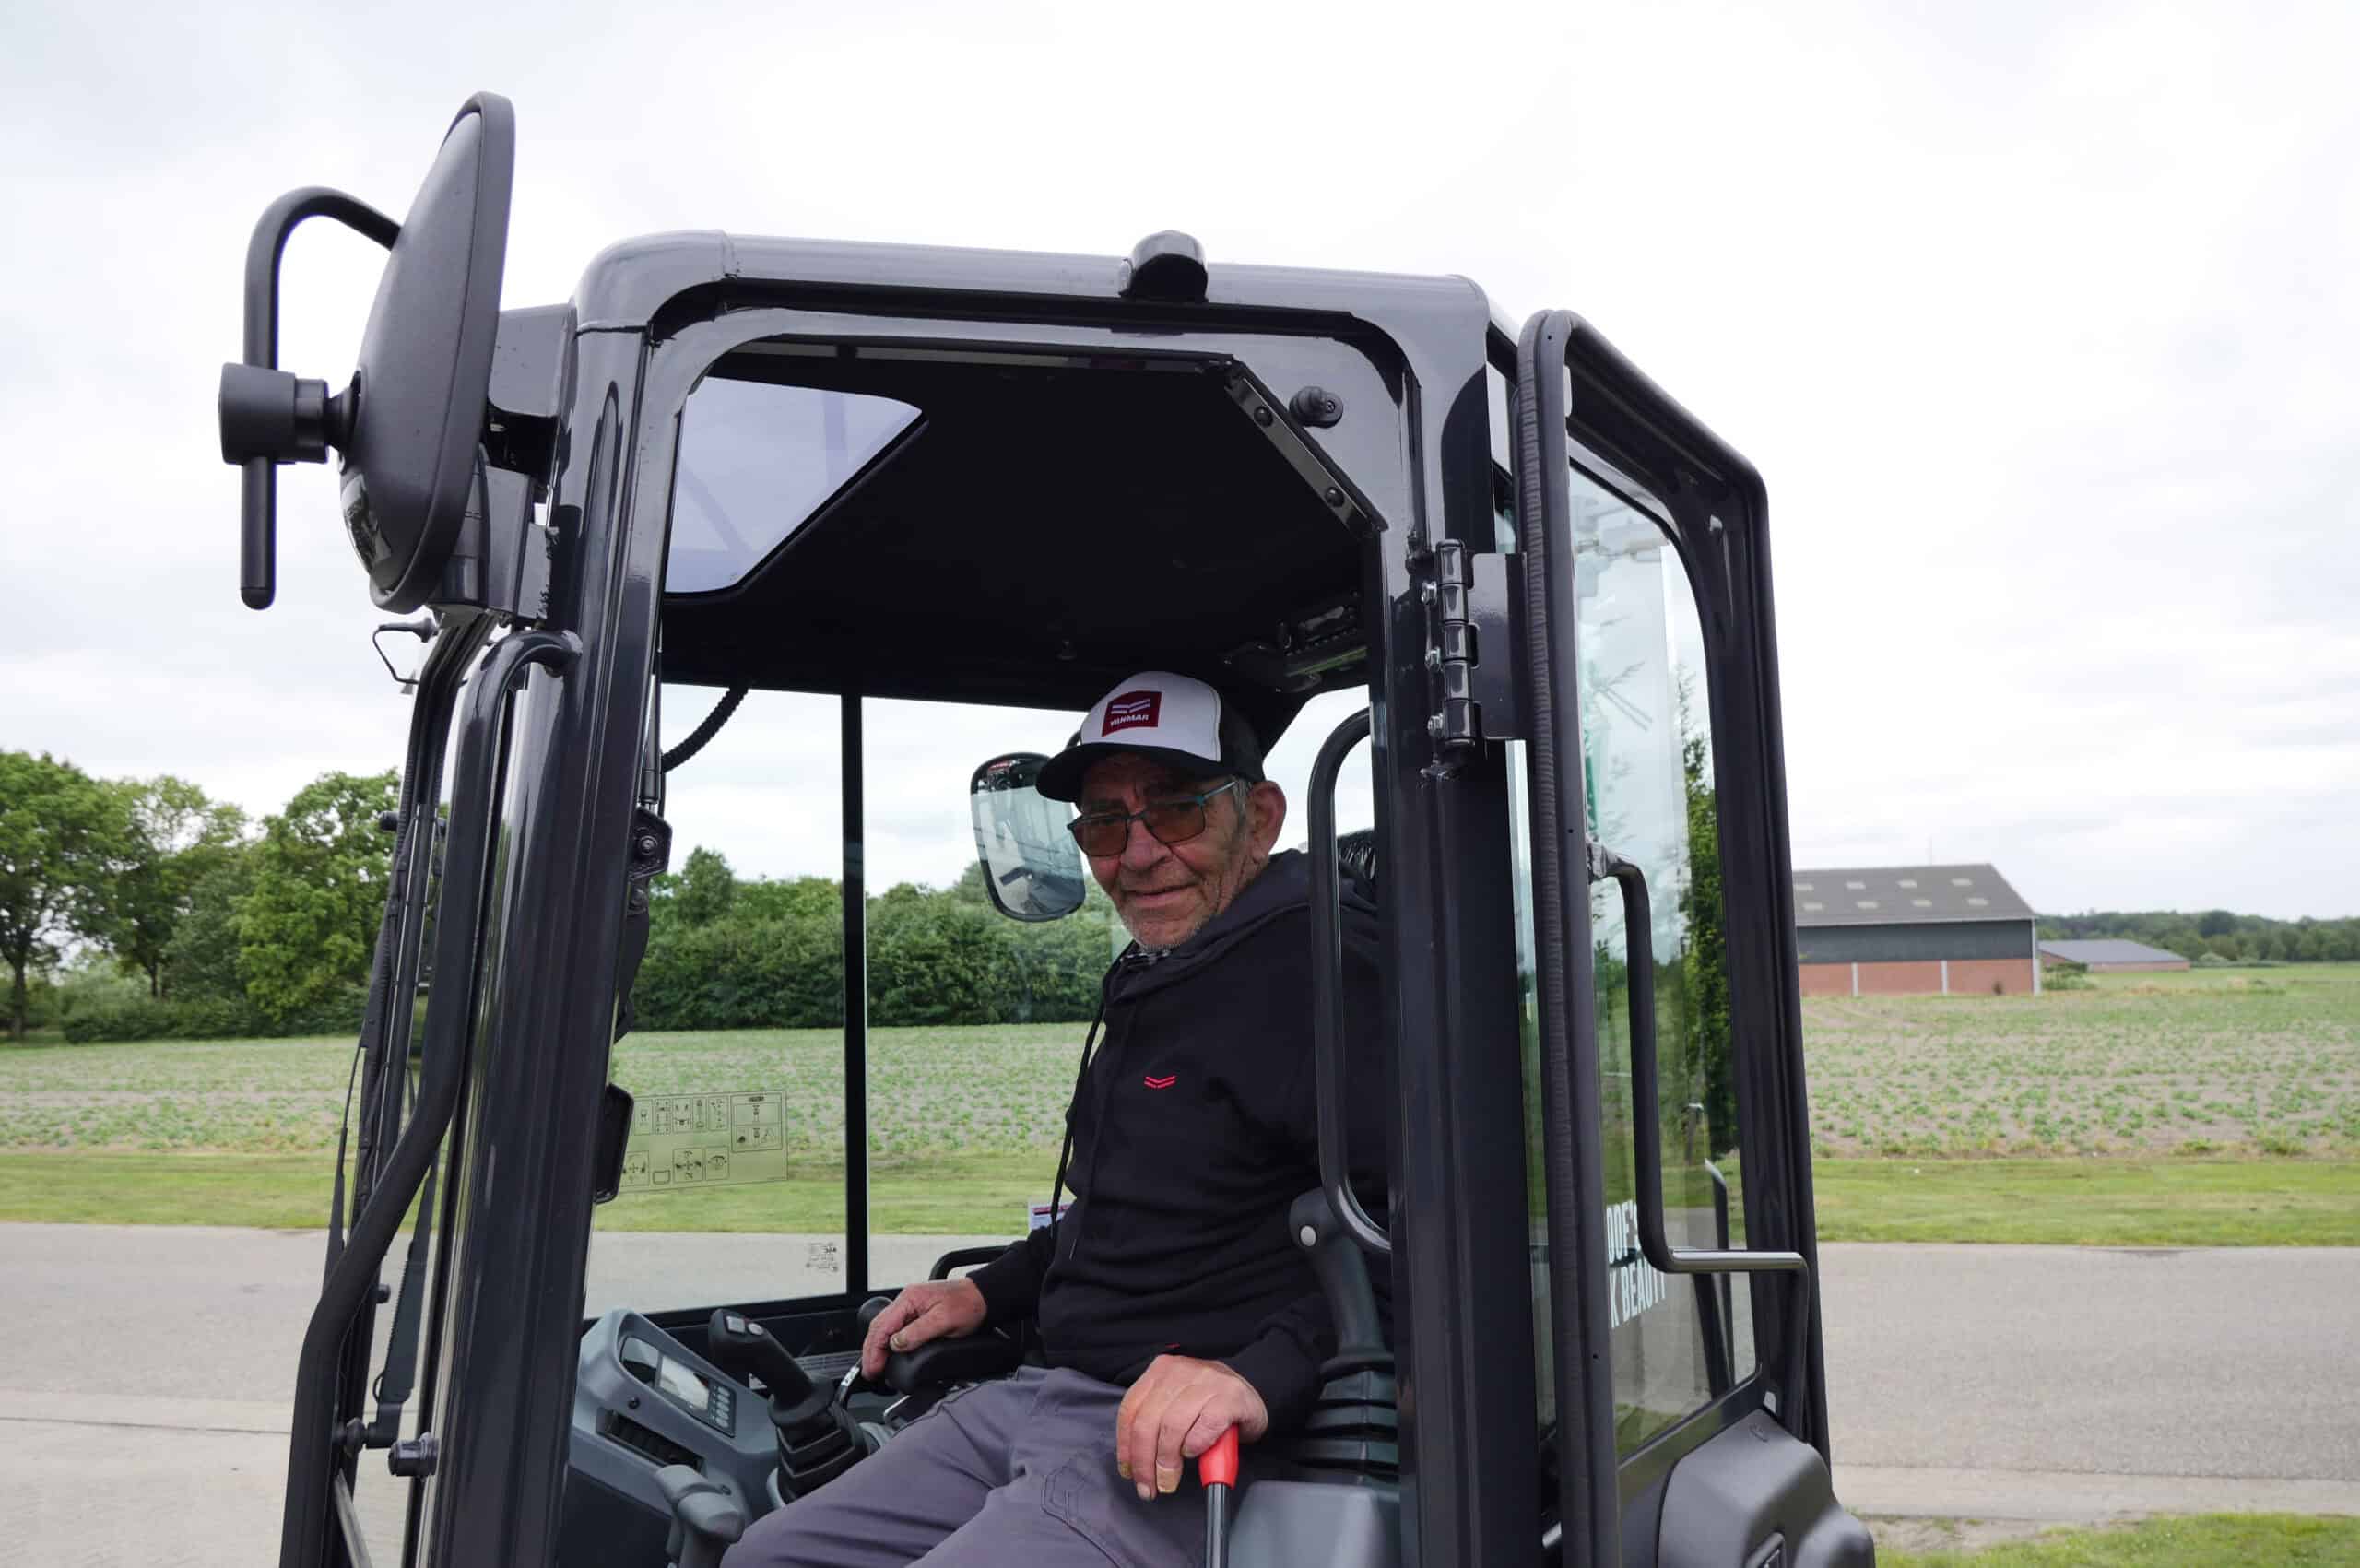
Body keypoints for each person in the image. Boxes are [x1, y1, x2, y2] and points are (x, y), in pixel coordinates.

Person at [724, 670, 1386, 1568]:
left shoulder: (1322, 976)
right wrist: (985, 1291)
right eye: (1105, 824)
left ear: (1260, 817)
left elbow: (1422, 1236)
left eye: (1177, 812)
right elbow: (1130, 1207)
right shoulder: (1165, 967)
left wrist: (1252, 1376)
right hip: (1050, 1391)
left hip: (1175, 1440)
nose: (1136, 853)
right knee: (770, 1556)